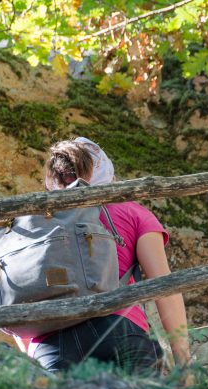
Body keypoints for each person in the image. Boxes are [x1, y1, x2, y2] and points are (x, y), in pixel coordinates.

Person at [21, 137, 191, 375]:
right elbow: (165, 288)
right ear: (104, 168)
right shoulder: (133, 212)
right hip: (118, 330)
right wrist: (184, 364)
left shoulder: (38, 222)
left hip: (50, 344)